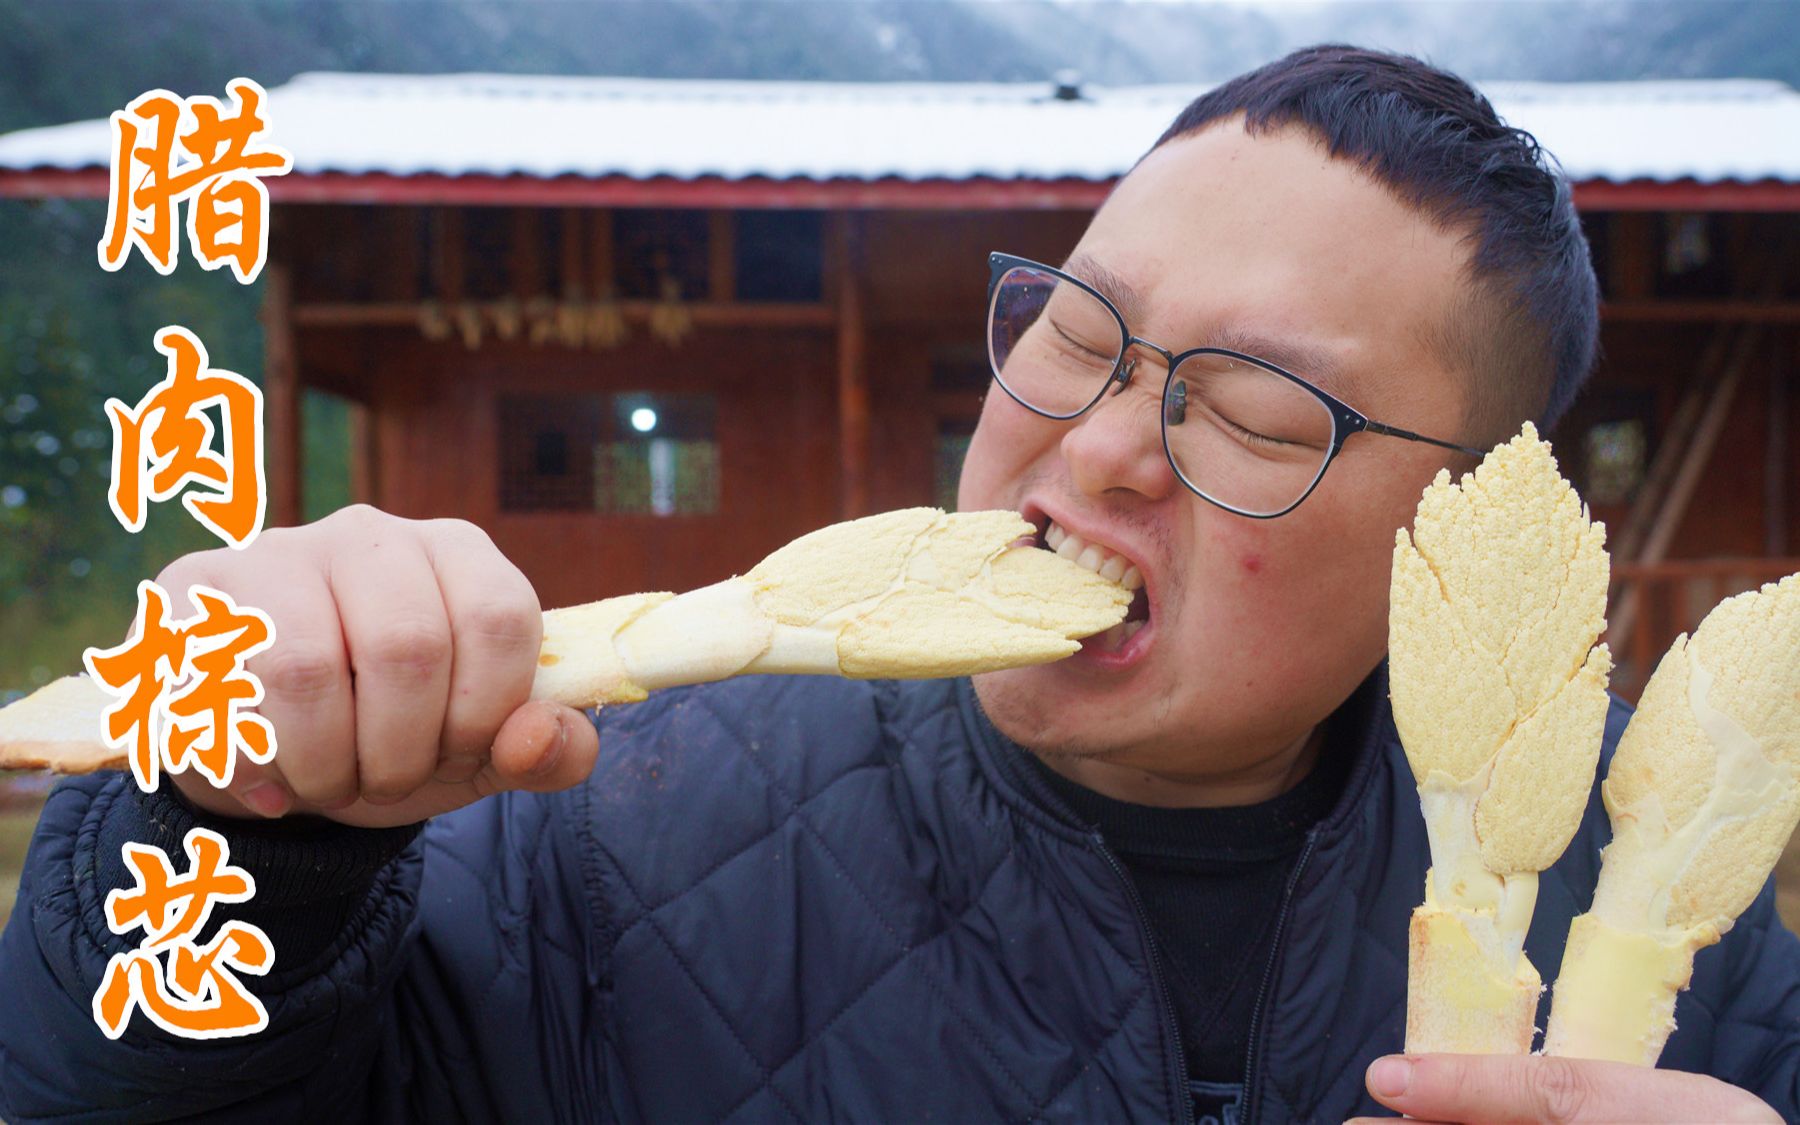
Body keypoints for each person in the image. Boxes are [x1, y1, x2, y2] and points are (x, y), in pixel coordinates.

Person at [0, 44, 1791, 1124]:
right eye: (1076, 332)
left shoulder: (1679, 943)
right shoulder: (590, 823)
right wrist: (252, 847)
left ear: (1465, 529)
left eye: (1250, 410)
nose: (1094, 442)